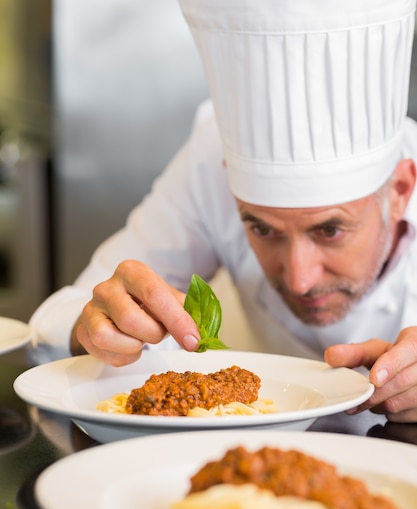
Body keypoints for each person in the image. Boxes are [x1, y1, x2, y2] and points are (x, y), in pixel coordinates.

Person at [29, 0, 417, 423]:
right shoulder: (210, 162)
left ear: (399, 189)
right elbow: (59, 318)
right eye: (263, 229)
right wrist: (97, 327)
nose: (299, 279)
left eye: (330, 231)